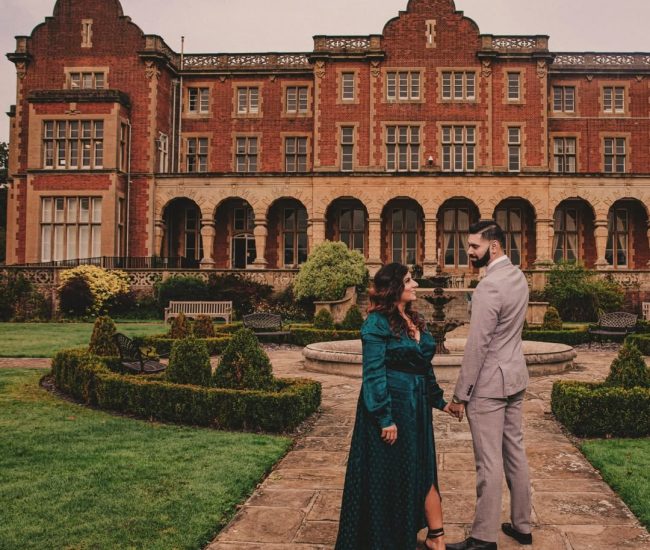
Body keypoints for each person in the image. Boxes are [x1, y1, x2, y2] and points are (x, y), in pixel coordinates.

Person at [335, 262, 455, 550]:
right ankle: (386, 538)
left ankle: (436, 537)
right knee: (389, 474)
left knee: (422, 466)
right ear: (394, 288)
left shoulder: (414, 318)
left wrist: (440, 401)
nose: (415, 284)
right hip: (390, 407)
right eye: (409, 280)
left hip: (417, 409)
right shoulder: (376, 323)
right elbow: (374, 372)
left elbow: (423, 367)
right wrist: (384, 417)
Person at [446, 221, 533, 550]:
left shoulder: (488, 287)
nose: (468, 252)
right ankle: (522, 525)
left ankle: (483, 537)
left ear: (493, 247)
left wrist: (459, 395)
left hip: (489, 386)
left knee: (488, 461)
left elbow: (477, 346)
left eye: (474, 247)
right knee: (515, 452)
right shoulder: (518, 277)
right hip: (514, 377)